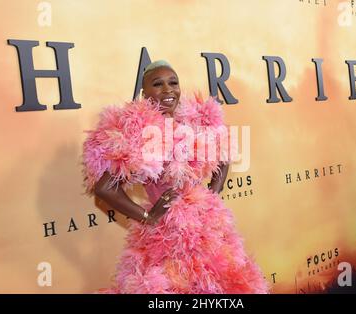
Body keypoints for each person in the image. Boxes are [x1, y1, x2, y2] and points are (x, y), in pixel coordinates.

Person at [82, 60, 269, 293]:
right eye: (157, 84)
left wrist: (212, 193)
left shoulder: (194, 122)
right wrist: (147, 216)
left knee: (219, 284)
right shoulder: (137, 131)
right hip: (167, 235)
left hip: (207, 225)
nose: (168, 89)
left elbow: (223, 151)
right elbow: (104, 187)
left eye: (173, 82)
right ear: (144, 93)